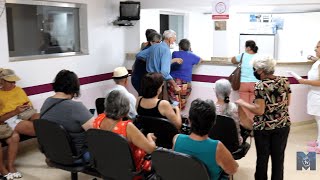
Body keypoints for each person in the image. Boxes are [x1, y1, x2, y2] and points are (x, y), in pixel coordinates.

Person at [235, 56, 291, 180]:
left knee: (262, 158)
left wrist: (243, 103)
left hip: (264, 128)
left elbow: (259, 110)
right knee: (278, 159)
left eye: (254, 69)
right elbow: (288, 103)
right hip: (283, 125)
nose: (254, 71)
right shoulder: (285, 81)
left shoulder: (260, 85)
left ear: (260, 70)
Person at [173, 98, 238, 180]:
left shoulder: (177, 139)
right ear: (214, 123)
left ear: (189, 121)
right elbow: (233, 170)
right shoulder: (217, 147)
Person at [93, 90, 156, 172]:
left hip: (108, 167)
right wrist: (150, 137)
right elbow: (150, 149)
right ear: (125, 108)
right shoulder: (127, 127)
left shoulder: (98, 119)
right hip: (132, 170)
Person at [40, 70, 94, 162]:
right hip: (78, 155)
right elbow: (96, 133)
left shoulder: (47, 102)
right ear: (74, 87)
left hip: (53, 154)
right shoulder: (76, 107)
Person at [136, 30, 183, 98]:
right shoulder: (166, 50)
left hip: (148, 79)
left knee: (147, 101)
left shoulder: (154, 46)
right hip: (157, 82)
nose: (174, 41)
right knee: (157, 103)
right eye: (174, 39)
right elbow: (164, 72)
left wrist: (149, 60)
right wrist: (174, 85)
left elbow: (139, 55)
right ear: (169, 38)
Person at [0, 68, 38, 136]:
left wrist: (27, 107)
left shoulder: (18, 89)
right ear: (2, 81)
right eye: (10, 82)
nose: (13, 84)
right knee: (36, 129)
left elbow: (29, 105)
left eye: (14, 81)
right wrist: (15, 112)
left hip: (24, 114)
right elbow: (1, 119)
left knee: (42, 119)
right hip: (10, 118)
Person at [297, 40, 320, 153]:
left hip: (318, 95)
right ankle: (318, 141)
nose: (315, 49)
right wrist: (312, 58)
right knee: (318, 119)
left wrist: (304, 81)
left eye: (318, 47)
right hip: (315, 94)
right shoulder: (318, 61)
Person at [214, 79, 252, 145]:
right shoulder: (236, 107)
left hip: (214, 143)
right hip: (233, 144)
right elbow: (249, 126)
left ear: (215, 91)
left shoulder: (210, 107)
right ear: (230, 91)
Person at [168, 39, 202, 110]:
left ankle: (173, 115)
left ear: (179, 47)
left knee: (174, 101)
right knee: (182, 101)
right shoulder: (192, 55)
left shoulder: (175, 53)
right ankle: (180, 116)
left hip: (173, 81)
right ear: (189, 47)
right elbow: (200, 60)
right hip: (185, 83)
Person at [231, 40, 259, 120]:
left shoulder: (243, 55)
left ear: (248, 48)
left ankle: (244, 127)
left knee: (243, 106)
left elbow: (232, 60)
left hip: (243, 84)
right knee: (253, 106)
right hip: (255, 84)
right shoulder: (259, 57)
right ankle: (252, 126)